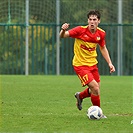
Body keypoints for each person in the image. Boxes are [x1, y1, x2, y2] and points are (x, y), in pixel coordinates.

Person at [59, 10, 115, 118]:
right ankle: (99, 113)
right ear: (88, 20)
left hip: (93, 64)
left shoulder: (101, 33)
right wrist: (62, 30)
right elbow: (63, 36)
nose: (92, 22)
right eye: (90, 20)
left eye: (94, 20)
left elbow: (103, 48)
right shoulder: (80, 30)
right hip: (80, 65)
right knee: (95, 88)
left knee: (95, 89)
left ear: (99, 21)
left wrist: (110, 63)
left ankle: (80, 96)